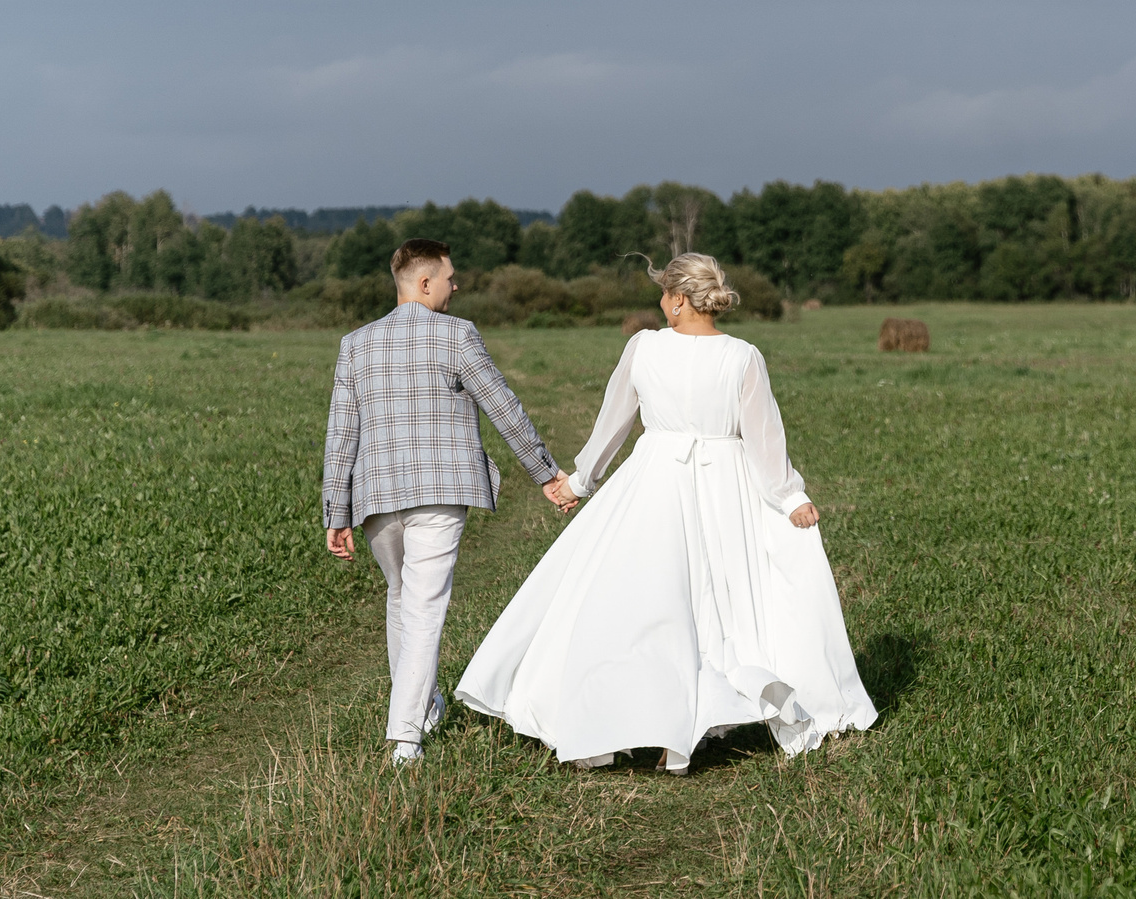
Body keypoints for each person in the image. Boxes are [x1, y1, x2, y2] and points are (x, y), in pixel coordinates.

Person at [455, 253, 877, 771]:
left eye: (662, 294)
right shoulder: (742, 356)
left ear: (678, 300)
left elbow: (613, 422)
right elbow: (764, 439)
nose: (659, 303)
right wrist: (790, 498)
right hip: (726, 487)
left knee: (650, 596)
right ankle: (690, 715)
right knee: (719, 603)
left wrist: (580, 481)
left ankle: (645, 712)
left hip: (655, 480)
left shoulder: (645, 347)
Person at [322, 236, 578, 766]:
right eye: (449, 277)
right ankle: (406, 739)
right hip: (441, 490)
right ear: (424, 283)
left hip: (375, 494)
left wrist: (335, 511)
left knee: (403, 598)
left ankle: (421, 709)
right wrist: (546, 472)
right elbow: (501, 404)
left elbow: (341, 433)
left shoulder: (356, 343)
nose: (455, 286)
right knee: (421, 605)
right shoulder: (458, 334)